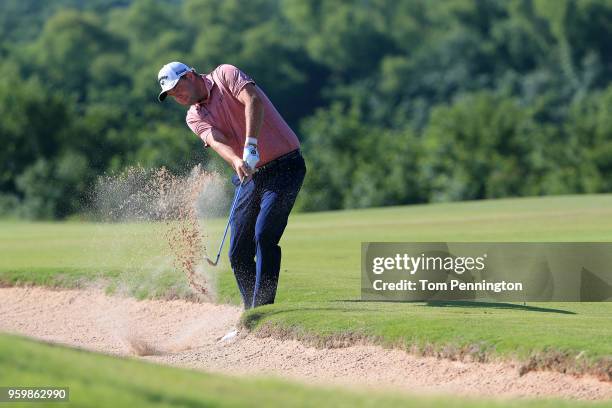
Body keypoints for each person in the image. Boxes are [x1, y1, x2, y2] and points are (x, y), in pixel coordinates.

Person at [157, 61, 306, 310]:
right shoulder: (194, 116)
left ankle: (264, 308)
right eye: (171, 94)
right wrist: (237, 159)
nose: (177, 95)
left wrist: (250, 145)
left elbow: (253, 101)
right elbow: (215, 141)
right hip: (249, 175)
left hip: (285, 166)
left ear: (190, 76)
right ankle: (252, 311)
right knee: (237, 253)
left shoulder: (225, 74)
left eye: (177, 88)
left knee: (264, 234)